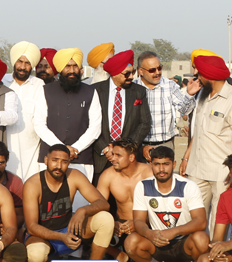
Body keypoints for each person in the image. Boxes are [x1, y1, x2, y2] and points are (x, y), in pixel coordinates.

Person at [22, 144, 115, 262]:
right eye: (55, 160)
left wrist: (82, 210)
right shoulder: (32, 184)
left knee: (105, 219)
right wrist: (61, 237)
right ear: (46, 160)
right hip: (42, 236)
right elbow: (32, 227)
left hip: (68, 229)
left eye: (64, 162)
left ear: (69, 163)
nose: (59, 166)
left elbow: (103, 203)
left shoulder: (74, 176)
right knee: (36, 255)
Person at [181, 52, 232, 234]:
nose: (197, 77)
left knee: (218, 220)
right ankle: (196, 250)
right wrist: (186, 157)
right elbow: (198, 131)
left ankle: (216, 251)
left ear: (210, 76)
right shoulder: (202, 94)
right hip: (196, 168)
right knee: (193, 217)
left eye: (200, 74)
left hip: (221, 171)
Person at [125, 145, 210, 262]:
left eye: (166, 164)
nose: (161, 169)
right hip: (157, 241)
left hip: (184, 242)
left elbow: (201, 221)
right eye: (157, 164)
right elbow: (138, 220)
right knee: (131, 242)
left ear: (174, 164)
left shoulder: (188, 186)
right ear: (151, 165)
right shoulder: (143, 186)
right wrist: (149, 233)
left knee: (201, 239)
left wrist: (174, 231)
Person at [33, 48, 102, 186]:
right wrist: (61, 148)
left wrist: (76, 148)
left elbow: (95, 126)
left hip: (80, 157)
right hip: (50, 157)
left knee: (80, 198)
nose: (72, 70)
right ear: (60, 69)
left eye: (75, 66)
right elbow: (39, 124)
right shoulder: (45, 90)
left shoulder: (91, 91)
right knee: (50, 197)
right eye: (67, 66)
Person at [93, 49, 151, 178]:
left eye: (132, 72)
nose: (131, 77)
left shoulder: (139, 92)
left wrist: (125, 149)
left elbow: (145, 123)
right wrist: (105, 148)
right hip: (102, 158)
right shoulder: (95, 90)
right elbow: (88, 123)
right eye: (126, 73)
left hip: (129, 159)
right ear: (114, 73)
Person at [96, 138, 152, 260]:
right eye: (113, 154)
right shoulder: (108, 175)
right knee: (84, 225)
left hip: (146, 224)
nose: (113, 158)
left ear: (131, 157)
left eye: (118, 155)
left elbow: (160, 207)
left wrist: (140, 223)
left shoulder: (148, 174)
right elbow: (97, 205)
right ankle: (118, 254)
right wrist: (111, 223)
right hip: (119, 226)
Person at [135, 50, 193, 161]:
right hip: (140, 146)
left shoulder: (170, 85)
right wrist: (140, 147)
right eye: (152, 70)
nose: (157, 72)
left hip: (166, 145)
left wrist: (189, 95)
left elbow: (184, 110)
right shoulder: (133, 88)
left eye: (159, 68)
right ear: (141, 71)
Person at [2, 42, 45, 180]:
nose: (22, 67)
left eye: (27, 63)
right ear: (14, 61)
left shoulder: (39, 84)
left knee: (29, 183)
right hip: (6, 141)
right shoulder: (2, 81)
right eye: (20, 61)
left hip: (31, 146)